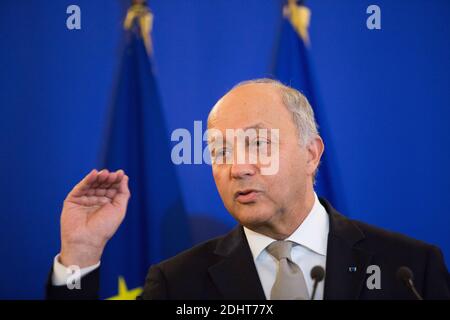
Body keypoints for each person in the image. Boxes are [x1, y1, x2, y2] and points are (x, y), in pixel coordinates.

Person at [46, 79, 450, 300]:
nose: (237, 167)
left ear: (311, 154)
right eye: (219, 150)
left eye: (257, 143)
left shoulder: (411, 271)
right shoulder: (178, 284)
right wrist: (80, 256)